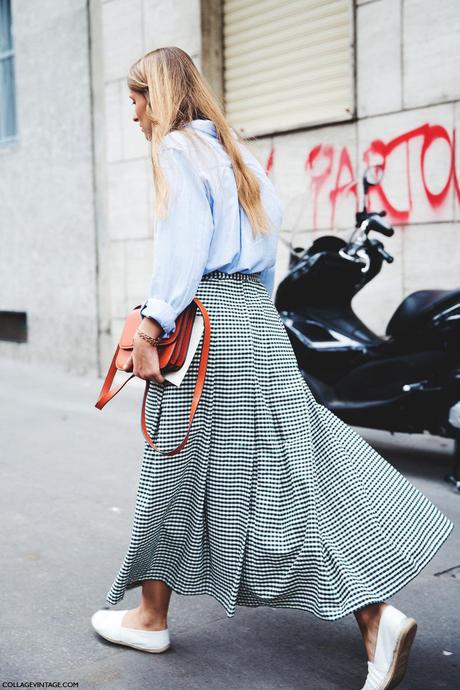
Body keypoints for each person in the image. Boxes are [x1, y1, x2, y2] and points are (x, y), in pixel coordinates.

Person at [91, 47, 454, 690]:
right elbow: (263, 256)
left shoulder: (177, 150)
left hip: (207, 324)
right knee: (287, 463)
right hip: (258, 321)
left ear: (162, 95)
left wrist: (152, 327)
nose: (134, 114)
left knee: (180, 464)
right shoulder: (237, 153)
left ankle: (158, 618)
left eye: (137, 98)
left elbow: (184, 249)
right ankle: (369, 616)